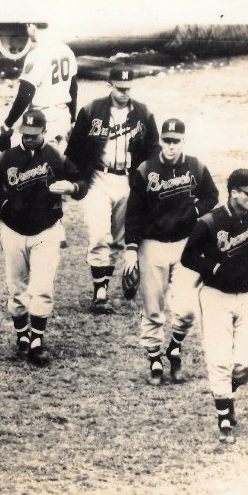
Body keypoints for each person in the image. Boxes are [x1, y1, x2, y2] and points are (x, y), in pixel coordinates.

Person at [0, 109, 88, 366]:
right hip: (13, 230)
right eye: (25, 134)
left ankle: (36, 342)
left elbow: (81, 181)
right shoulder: (7, 157)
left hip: (46, 230)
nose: (28, 139)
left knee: (41, 287)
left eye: (34, 135)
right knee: (17, 288)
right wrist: (2, 203)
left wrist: (72, 187)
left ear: (44, 133)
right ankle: (22, 338)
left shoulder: (56, 156)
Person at [123, 118, 219, 385]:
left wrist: (196, 211)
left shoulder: (196, 167)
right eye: (166, 140)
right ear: (160, 141)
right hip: (151, 245)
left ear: (183, 142)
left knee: (188, 307)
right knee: (153, 307)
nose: (171, 146)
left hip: (184, 245)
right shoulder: (145, 170)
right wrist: (131, 249)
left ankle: (174, 347)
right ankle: (154, 359)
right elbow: (133, 213)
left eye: (176, 141)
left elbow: (213, 194)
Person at [181, 169, 248, 444]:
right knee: (220, 359)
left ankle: (226, 390)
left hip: (246, 296)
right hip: (216, 296)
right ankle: (224, 418)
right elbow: (188, 257)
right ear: (233, 193)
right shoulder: (209, 222)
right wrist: (216, 267)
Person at [65, 65, 160, 314]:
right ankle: (100, 292)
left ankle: (118, 275)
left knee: (120, 239)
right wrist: (78, 180)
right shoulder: (91, 110)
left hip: (129, 181)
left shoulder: (142, 113)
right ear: (110, 86)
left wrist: (147, 181)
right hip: (99, 178)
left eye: (128, 88)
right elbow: (73, 151)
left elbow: (153, 150)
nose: (125, 92)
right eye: (120, 88)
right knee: (99, 235)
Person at [0, 23, 78, 150]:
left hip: (43, 121)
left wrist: (6, 126)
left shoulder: (37, 55)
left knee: (40, 166)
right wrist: (72, 121)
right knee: (60, 164)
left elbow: (24, 95)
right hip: (64, 116)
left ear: (32, 26)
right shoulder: (66, 50)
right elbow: (73, 90)